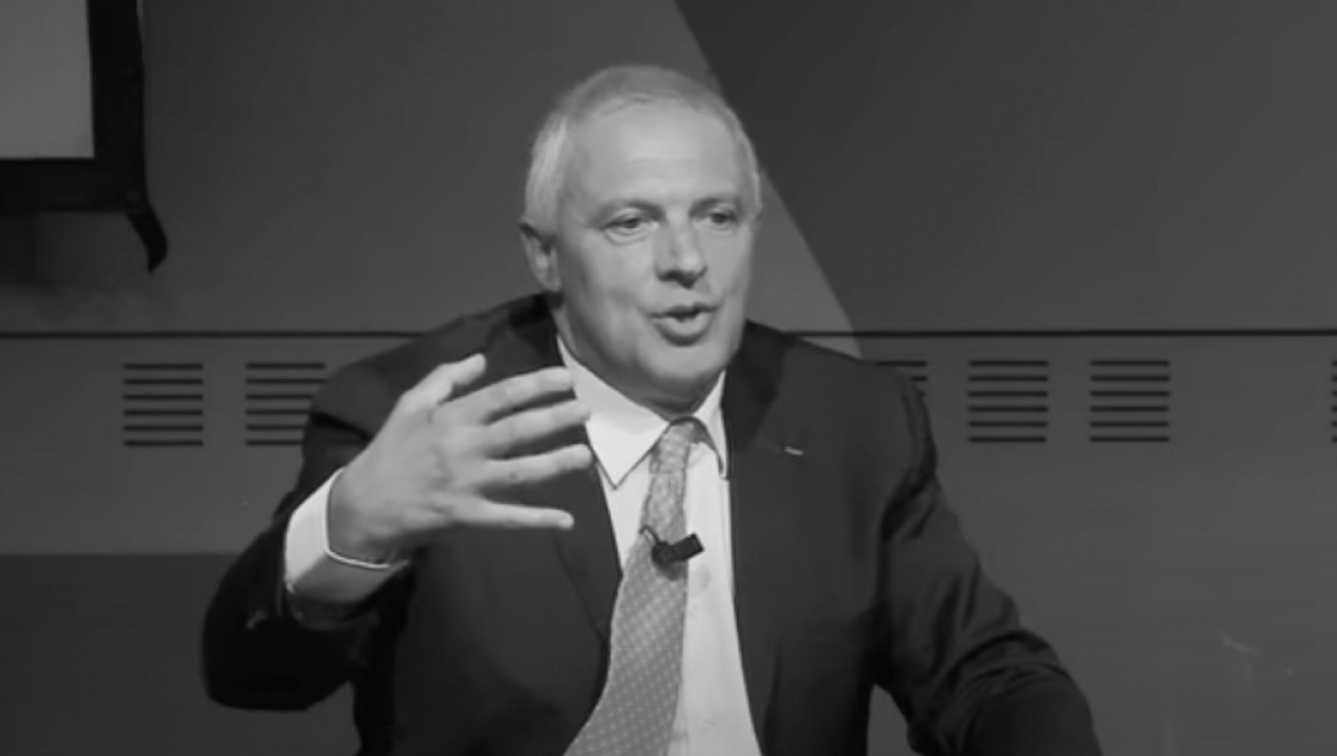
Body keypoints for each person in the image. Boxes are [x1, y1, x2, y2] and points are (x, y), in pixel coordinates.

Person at [201, 64, 1101, 756]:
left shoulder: (852, 422)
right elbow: (252, 678)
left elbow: (984, 674)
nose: (686, 261)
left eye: (718, 217)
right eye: (631, 223)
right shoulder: (420, 419)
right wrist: (351, 530)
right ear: (545, 255)